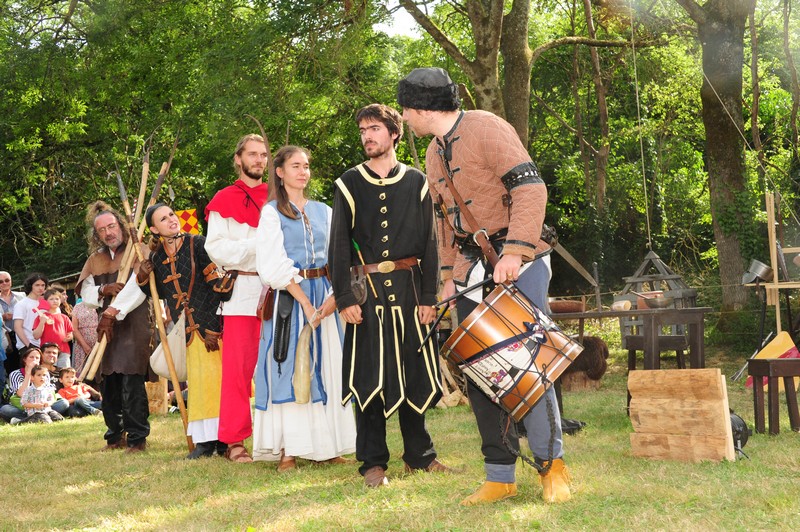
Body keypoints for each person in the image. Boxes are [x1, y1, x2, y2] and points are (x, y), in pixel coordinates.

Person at [397, 67, 572, 504]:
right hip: (470, 271)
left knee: (528, 367)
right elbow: (445, 224)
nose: (404, 117)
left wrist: (514, 250)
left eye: (405, 110)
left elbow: (531, 188)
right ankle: (500, 473)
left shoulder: (488, 128)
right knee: (480, 370)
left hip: (518, 261)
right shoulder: (434, 153)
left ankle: (554, 467)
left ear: (420, 109)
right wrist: (444, 278)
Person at [329, 103, 446, 488]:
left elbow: (431, 244)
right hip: (368, 297)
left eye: (375, 128)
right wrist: (345, 298)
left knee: (412, 374)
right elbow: (338, 248)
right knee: (370, 379)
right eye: (363, 130)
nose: (368, 136)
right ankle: (373, 463)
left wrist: (430, 296)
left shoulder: (417, 182)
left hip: (411, 294)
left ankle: (420, 455)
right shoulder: (348, 183)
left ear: (394, 134)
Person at [253, 145, 357, 470]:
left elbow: (341, 257)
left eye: (307, 166)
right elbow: (272, 265)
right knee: (290, 368)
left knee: (329, 366)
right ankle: (290, 450)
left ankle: (330, 445)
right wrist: (307, 305)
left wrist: (331, 300)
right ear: (280, 172)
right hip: (291, 300)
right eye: (295, 166)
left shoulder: (325, 211)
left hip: (326, 295)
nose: (303, 171)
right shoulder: (271, 213)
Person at [138, 202, 226, 459]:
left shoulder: (197, 243)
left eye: (171, 215)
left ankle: (224, 439)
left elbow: (214, 282)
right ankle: (204, 441)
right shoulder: (156, 257)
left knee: (215, 383)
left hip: (210, 328)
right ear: (154, 228)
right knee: (197, 386)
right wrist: (143, 276)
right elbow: (156, 292)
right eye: (163, 219)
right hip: (183, 330)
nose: (171, 220)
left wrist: (213, 326)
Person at [204, 133, 269, 463]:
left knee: (278, 368)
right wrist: (259, 251)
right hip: (242, 296)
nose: (259, 160)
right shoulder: (224, 198)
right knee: (238, 373)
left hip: (281, 293)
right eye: (253, 155)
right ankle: (235, 441)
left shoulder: (279, 196)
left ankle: (279, 438)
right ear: (239, 159)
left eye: (264, 155)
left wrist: (259, 256)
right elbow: (217, 250)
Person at [75, 201, 152, 453]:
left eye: (111, 226)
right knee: (108, 381)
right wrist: (102, 289)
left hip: (133, 322)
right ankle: (115, 435)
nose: (108, 233)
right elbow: (86, 291)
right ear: (96, 235)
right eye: (102, 230)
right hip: (105, 327)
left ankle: (137, 438)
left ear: (120, 225)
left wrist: (114, 311)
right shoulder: (95, 259)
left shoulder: (138, 250)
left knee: (131, 379)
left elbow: (138, 287)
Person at [32, 288, 73, 368]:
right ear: (46, 301)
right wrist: (42, 322)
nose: (55, 301)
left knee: (64, 373)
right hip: (47, 352)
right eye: (51, 299)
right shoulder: (41, 317)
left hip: (64, 351)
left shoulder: (64, 317)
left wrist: (69, 337)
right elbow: (36, 336)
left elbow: (70, 333)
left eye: (57, 299)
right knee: (48, 374)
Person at [12, 273, 48, 352]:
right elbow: (17, 327)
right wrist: (29, 345)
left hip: (45, 345)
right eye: (37, 285)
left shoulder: (46, 303)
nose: (40, 288)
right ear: (30, 286)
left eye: (43, 285)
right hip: (28, 345)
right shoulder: (21, 304)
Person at [1, 271, 25, 387]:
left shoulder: (22, 296)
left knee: (24, 364)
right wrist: (3, 317)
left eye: (7, 280)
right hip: (5, 337)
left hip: (21, 334)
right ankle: (12, 391)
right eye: (0, 281)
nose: (4, 283)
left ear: (11, 281)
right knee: (8, 366)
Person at [71, 299, 98, 377]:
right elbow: (74, 328)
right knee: (81, 370)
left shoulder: (100, 306)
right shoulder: (78, 307)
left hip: (98, 343)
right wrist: (84, 345)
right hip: (81, 343)